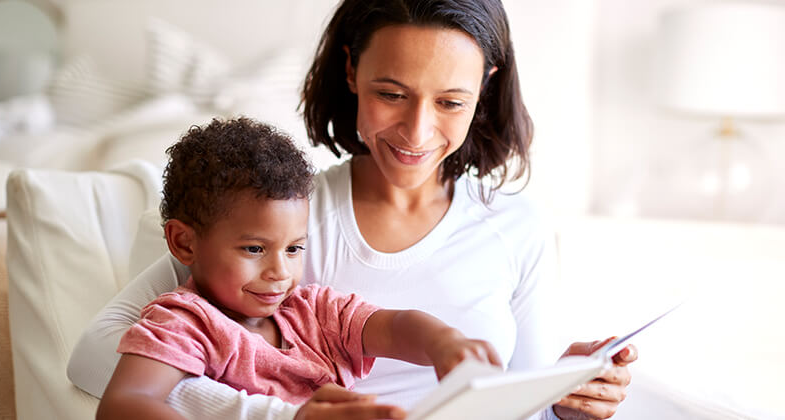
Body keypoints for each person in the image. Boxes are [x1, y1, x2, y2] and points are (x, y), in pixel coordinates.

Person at [69, 1, 638, 419]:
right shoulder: (276, 214)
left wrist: (565, 399)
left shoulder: (518, 226)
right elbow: (97, 360)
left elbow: (518, 404)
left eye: (450, 102)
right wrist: (281, 416)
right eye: (391, 93)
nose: (417, 132)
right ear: (351, 73)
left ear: (485, 89)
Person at [96, 118, 502, 420]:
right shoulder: (185, 323)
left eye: (294, 248)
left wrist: (443, 344)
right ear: (184, 242)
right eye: (254, 248)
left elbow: (392, 327)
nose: (279, 271)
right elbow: (123, 405)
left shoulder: (313, 312)